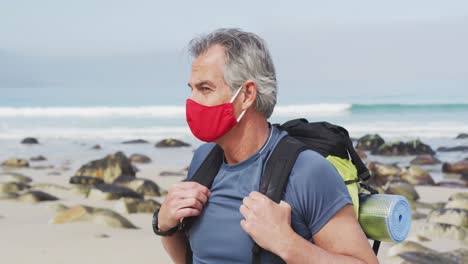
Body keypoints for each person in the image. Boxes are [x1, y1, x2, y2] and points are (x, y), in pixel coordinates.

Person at [155, 28, 379, 264]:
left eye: (205, 89)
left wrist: (288, 244)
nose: (192, 102)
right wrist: (165, 226)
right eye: (191, 89)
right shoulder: (204, 159)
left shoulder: (307, 171)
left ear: (247, 94)